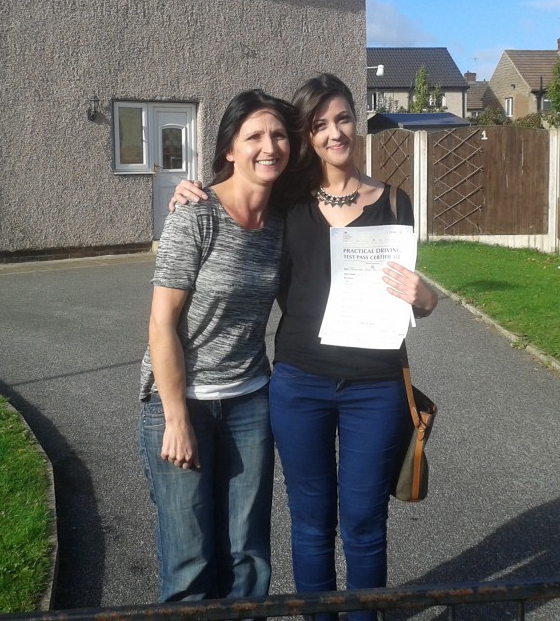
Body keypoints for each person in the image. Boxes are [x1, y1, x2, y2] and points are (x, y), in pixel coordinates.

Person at [173, 74, 437, 621]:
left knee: (364, 523)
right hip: (300, 385)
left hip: (376, 388)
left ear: (356, 124)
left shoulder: (394, 202)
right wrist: (190, 190)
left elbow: (408, 298)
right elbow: (236, 194)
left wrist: (427, 298)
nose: (333, 133)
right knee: (311, 523)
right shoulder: (287, 203)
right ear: (308, 136)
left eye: (342, 119)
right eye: (319, 125)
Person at [139, 88, 301, 604]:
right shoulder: (196, 214)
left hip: (250, 401)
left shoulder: (284, 221)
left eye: (277, 134)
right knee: (189, 557)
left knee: (248, 553)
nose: (268, 145)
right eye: (253, 135)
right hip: (181, 402)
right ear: (229, 148)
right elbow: (162, 323)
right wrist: (176, 417)